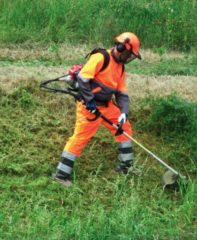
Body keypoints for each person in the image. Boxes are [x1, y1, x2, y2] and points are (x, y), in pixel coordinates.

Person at [52, 32, 141, 187]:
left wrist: (123, 113)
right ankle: (61, 175)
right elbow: (83, 78)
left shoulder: (120, 68)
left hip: (107, 106)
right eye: (128, 54)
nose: (128, 58)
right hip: (89, 107)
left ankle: (125, 166)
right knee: (80, 138)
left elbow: (122, 93)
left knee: (124, 128)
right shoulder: (100, 57)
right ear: (121, 48)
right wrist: (90, 102)